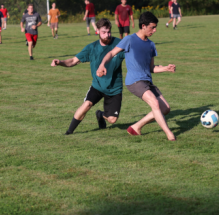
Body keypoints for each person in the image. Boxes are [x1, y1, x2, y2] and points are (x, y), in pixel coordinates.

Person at [97, 12, 176, 141]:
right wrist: (102, 65)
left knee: (165, 108)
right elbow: (111, 53)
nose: (154, 30)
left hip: (147, 81)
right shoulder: (129, 39)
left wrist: (165, 68)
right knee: (155, 103)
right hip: (134, 81)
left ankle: (136, 127)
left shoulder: (151, 45)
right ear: (143, 26)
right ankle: (169, 134)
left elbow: (151, 68)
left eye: (155, 27)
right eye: (152, 27)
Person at [51, 18, 125, 135]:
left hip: (114, 88)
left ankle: (100, 115)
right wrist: (60, 62)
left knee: (112, 120)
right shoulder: (91, 48)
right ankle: (69, 132)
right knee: (86, 105)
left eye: (109, 32)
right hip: (98, 86)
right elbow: (73, 61)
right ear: (98, 32)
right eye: (104, 32)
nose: (107, 35)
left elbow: (133, 55)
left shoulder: (119, 44)